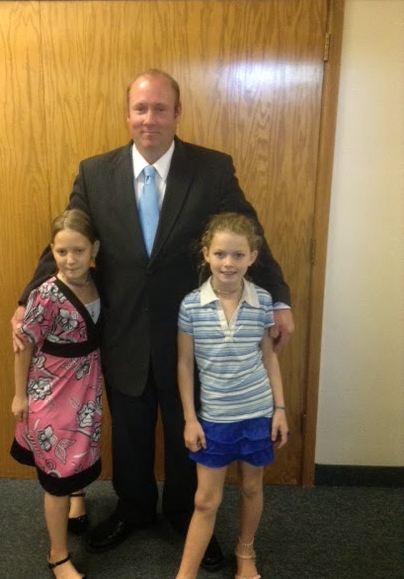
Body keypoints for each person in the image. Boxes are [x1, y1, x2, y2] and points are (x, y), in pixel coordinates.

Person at [11, 69, 294, 571]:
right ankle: (135, 507)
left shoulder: (212, 170)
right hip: (122, 331)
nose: (150, 119)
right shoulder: (95, 173)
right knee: (131, 431)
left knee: (189, 430)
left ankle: (186, 514)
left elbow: (250, 234)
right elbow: (69, 238)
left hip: (191, 334)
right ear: (128, 115)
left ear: (177, 113)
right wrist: (28, 296)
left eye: (160, 108)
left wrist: (279, 300)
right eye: (140, 109)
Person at [175, 212, 289, 579]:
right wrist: (190, 418)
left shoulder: (263, 301)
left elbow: (269, 357)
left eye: (238, 255)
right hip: (215, 419)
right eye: (221, 254)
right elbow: (184, 365)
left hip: (257, 413)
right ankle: (185, 574)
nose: (228, 263)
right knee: (205, 501)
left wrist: (280, 408)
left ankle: (245, 552)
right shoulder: (191, 305)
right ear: (206, 254)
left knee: (252, 488)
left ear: (252, 257)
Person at [10, 209, 102, 579]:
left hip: (86, 388)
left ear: (94, 249)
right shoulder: (45, 295)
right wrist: (20, 396)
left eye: (79, 250)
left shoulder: (98, 282)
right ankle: (58, 555)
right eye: (62, 251)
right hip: (51, 392)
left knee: (76, 458)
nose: (71, 259)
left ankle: (77, 496)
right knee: (56, 473)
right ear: (52, 250)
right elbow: (24, 347)